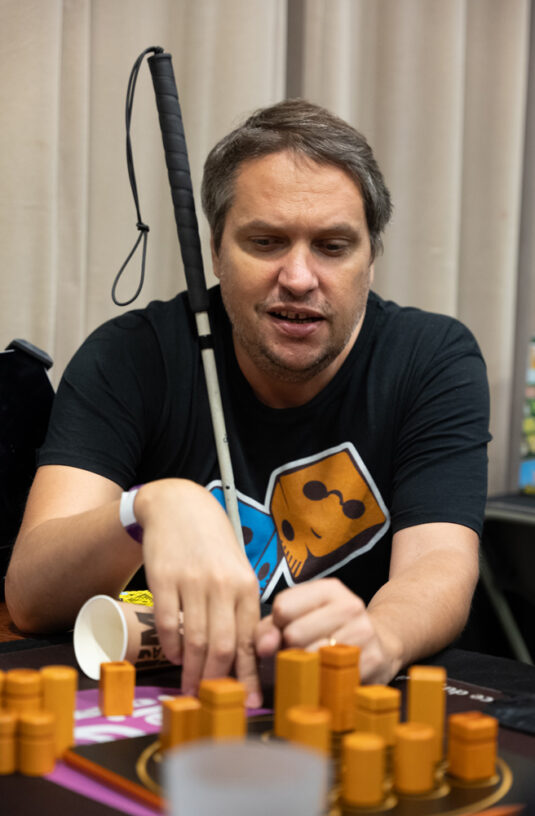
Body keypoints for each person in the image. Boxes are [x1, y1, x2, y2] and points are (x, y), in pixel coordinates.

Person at [5, 100, 490, 708]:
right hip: (175, 709)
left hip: (348, 703)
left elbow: (438, 562)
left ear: (371, 259)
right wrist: (150, 506)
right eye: (265, 242)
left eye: (333, 246)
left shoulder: (432, 359)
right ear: (215, 251)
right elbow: (30, 596)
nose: (299, 277)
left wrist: (382, 636)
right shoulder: (130, 356)